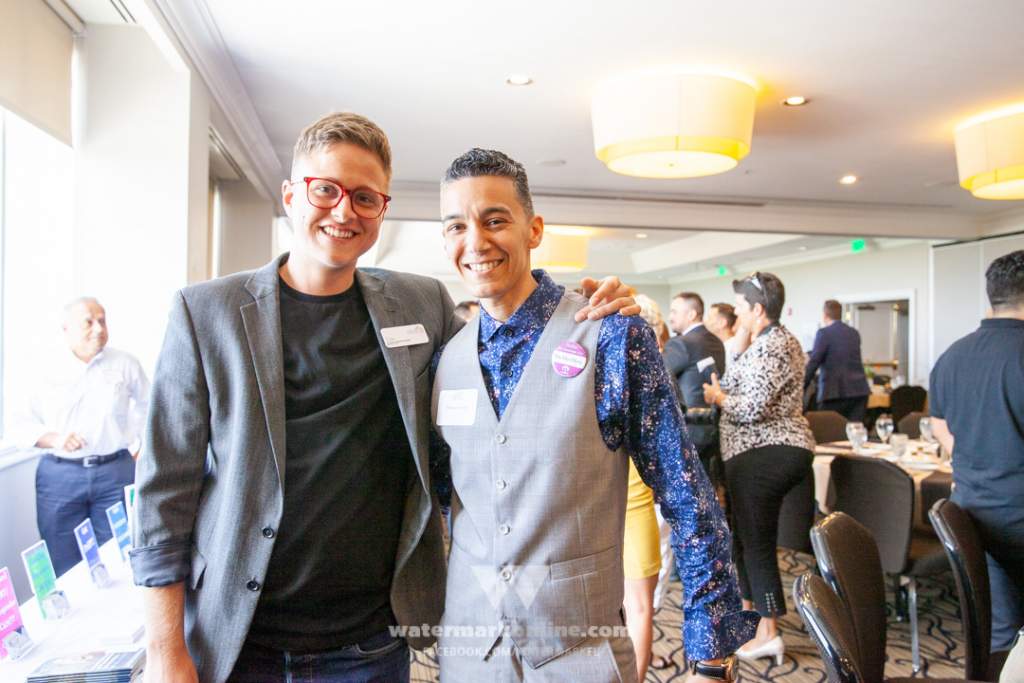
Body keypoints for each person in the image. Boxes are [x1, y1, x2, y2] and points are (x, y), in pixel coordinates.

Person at [130, 113, 636, 683]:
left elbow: (506, 355)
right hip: (239, 637)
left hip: (370, 643)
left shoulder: (421, 305)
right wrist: (164, 648)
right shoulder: (207, 314)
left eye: (365, 198)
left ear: (381, 210)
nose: (344, 211)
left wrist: (586, 308)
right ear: (291, 196)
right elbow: (164, 490)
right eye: (326, 190)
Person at [431, 148, 755, 682]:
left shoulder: (611, 334)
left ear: (534, 230)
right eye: (456, 226)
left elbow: (687, 497)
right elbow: (444, 497)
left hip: (579, 651)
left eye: (495, 220)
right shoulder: (447, 358)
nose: (476, 241)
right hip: (470, 649)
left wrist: (710, 660)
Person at [702, 271, 815, 666]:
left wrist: (718, 396)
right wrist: (737, 348)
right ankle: (753, 622)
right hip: (752, 452)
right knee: (745, 540)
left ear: (759, 309)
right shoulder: (760, 342)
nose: (736, 313)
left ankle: (769, 633)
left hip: (767, 451)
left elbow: (751, 407)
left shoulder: (776, 345)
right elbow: (738, 383)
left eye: (741, 307)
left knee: (757, 541)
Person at [930, 250, 1024, 657]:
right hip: (1018, 514)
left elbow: (939, 426)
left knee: (1001, 629)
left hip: (971, 515)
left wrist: (975, 452)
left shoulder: (952, 355)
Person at [13, 297, 149, 577]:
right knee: (62, 559)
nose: (98, 328)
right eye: (89, 322)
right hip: (60, 476)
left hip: (115, 472)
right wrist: (53, 438)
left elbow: (150, 406)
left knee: (120, 552)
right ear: (66, 328)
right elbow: (16, 425)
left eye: (102, 321)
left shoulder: (125, 363)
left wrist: (141, 446)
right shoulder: (41, 368)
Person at [623, 294, 665, 679]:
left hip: (637, 506)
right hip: (633, 507)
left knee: (637, 607)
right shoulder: (656, 380)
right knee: (637, 606)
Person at [664, 292, 726, 483]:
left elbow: (656, 378)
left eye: (674, 311)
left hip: (687, 429)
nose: (670, 316)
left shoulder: (681, 344)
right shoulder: (716, 342)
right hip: (713, 428)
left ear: (691, 314)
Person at [804, 299, 870, 422]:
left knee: (829, 430)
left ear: (825, 315)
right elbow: (840, 352)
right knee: (854, 430)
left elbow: (814, 363)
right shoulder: (854, 333)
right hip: (859, 392)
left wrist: (800, 386)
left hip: (834, 393)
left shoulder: (824, 333)